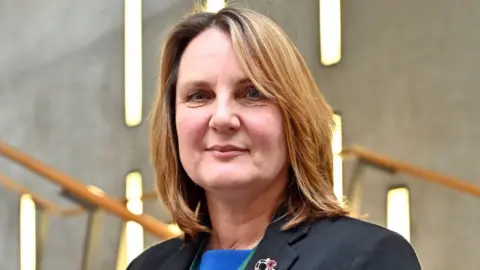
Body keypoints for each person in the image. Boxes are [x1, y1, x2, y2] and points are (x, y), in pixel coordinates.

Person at [128, 6, 421, 270]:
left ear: (293, 119)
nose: (222, 118)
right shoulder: (145, 267)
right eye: (199, 96)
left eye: (251, 93)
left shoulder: (368, 257)